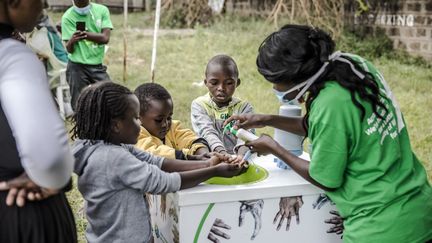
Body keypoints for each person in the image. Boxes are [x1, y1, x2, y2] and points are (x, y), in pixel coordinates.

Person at [225, 24, 432, 242]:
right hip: (419, 208)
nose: (275, 89)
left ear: (299, 78)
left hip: (381, 227)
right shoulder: (354, 67)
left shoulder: (329, 105)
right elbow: (332, 127)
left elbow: (325, 178)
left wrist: (274, 148)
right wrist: (265, 119)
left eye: (277, 83)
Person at [71, 81, 243, 243]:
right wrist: (214, 171)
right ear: (116, 125)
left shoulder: (103, 146)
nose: (139, 125)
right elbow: (163, 181)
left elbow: (155, 161)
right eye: (135, 118)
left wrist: (202, 162)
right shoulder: (112, 158)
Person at [0, 0, 76, 242]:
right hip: (19, 211)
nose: (43, 4)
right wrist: (48, 177)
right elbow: (49, 158)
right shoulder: (12, 56)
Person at [191, 54, 254, 162]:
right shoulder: (199, 105)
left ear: (237, 83)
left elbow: (246, 136)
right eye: (214, 83)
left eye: (229, 83)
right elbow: (207, 132)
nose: (221, 88)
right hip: (210, 160)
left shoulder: (244, 108)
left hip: (241, 158)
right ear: (206, 82)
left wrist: (240, 156)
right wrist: (223, 155)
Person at [135, 83, 211, 160]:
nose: (165, 124)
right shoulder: (136, 135)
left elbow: (190, 139)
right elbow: (154, 154)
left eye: (169, 118)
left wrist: (204, 154)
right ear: (138, 117)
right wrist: (190, 157)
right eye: (159, 120)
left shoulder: (173, 128)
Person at [61, 0, 113, 108]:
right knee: (79, 102)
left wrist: (85, 35)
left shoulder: (101, 10)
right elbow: (69, 50)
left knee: (109, 96)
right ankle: (81, 123)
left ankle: (103, 122)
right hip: (76, 66)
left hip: (97, 65)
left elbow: (105, 38)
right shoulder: (67, 17)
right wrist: (72, 40)